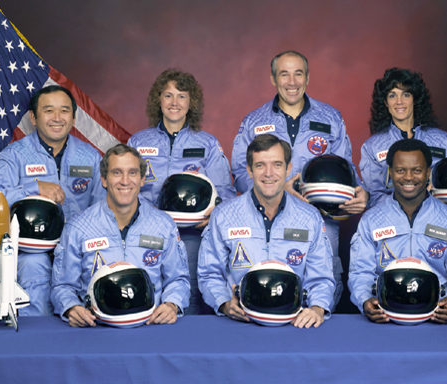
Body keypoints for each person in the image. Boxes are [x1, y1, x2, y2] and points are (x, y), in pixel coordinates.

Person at [231, 51, 367, 310]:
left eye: (298, 73)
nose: (291, 81)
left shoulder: (331, 118)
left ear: (308, 78)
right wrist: (277, 190)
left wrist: (362, 195)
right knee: (272, 294)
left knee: (321, 297)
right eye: (284, 74)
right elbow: (239, 173)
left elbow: (347, 170)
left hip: (322, 221)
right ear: (273, 78)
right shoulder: (253, 121)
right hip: (266, 222)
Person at [0, 85, 106, 316]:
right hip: (32, 251)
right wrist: (34, 187)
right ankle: (35, 345)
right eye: (49, 110)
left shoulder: (90, 157)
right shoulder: (14, 156)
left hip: (78, 250)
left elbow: (104, 210)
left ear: (74, 117)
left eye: (64, 111)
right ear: (33, 118)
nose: (57, 118)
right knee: (33, 269)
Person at [127, 69, 236, 315]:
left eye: (182, 96)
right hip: (147, 234)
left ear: (191, 103)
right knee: (147, 295)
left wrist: (212, 216)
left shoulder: (207, 143)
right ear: (158, 100)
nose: (174, 103)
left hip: (192, 237)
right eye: (168, 95)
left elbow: (225, 193)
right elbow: (123, 188)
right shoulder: (137, 142)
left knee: (192, 297)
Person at [199, 134, 335, 328]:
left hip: (295, 324)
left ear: (288, 169)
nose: (268, 173)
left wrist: (317, 308)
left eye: (277, 165)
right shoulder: (223, 216)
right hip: (241, 323)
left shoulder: (309, 217)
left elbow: (321, 277)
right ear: (249, 170)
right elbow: (209, 273)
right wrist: (224, 303)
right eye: (260, 165)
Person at [51, 144, 190, 327]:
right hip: (97, 329)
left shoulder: (164, 225)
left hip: (151, 326)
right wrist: (71, 307)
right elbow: (63, 286)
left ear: (142, 179)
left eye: (132, 173)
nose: (125, 181)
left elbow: (178, 279)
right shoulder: (78, 227)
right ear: (104, 179)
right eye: (116, 173)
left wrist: (172, 304)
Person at [349, 139, 447, 324]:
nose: (408, 177)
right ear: (390, 172)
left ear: (428, 173)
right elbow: (360, 272)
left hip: (436, 316)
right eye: (400, 170)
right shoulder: (371, 219)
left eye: (417, 170)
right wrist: (364, 300)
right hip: (386, 315)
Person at [360, 67, 447, 211]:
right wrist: (409, 204)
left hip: (438, 221)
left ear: (415, 99)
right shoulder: (372, 146)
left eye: (406, 94)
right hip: (394, 226)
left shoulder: (442, 141)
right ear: (385, 102)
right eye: (392, 95)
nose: (399, 101)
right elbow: (374, 197)